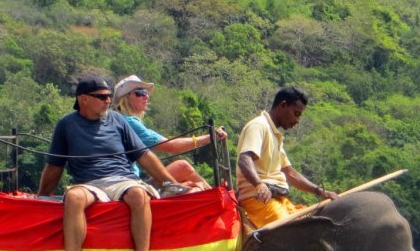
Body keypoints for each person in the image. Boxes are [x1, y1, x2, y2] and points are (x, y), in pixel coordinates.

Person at [37, 76, 174, 251]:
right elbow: (55, 165)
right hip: (88, 182)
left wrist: (170, 183)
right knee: (73, 197)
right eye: (101, 97)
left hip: (122, 179)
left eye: (109, 96)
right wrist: (41, 195)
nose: (108, 101)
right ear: (83, 99)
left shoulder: (118, 121)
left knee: (139, 194)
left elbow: (144, 155)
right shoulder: (66, 125)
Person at [235, 86, 338, 227]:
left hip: (278, 199)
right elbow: (244, 159)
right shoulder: (258, 126)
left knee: (310, 225)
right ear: (283, 105)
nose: (297, 121)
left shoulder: (275, 135)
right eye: (296, 114)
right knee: (291, 232)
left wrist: (320, 191)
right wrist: (259, 185)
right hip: (258, 200)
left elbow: (290, 173)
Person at [113, 75, 228, 191]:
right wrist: (211, 136)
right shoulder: (128, 121)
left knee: (185, 171)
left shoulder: (118, 120)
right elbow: (171, 145)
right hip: (130, 185)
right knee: (183, 167)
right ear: (126, 98)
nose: (146, 96)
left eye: (146, 93)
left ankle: (212, 193)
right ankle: (215, 196)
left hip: (130, 182)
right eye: (140, 93)